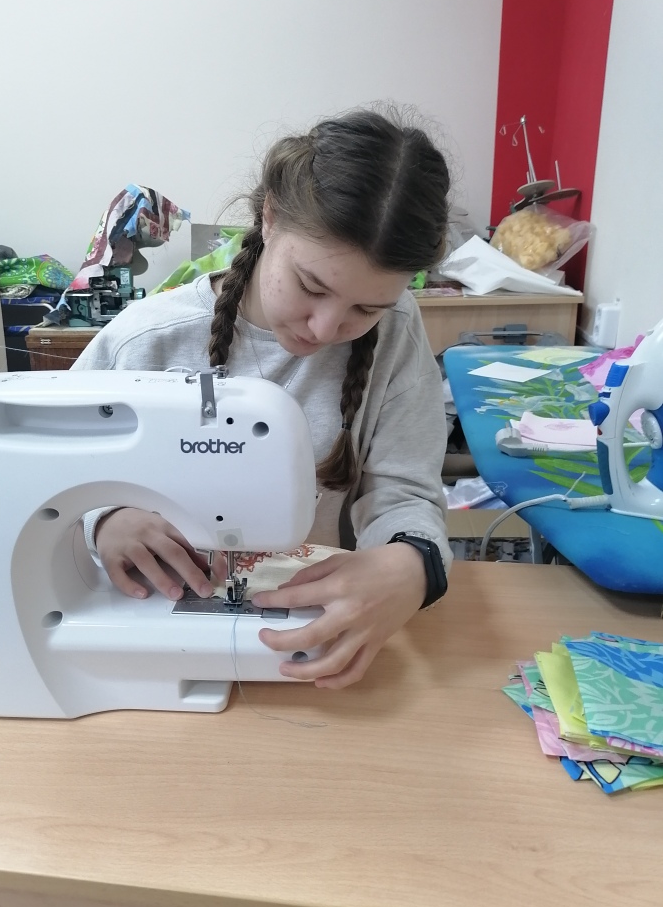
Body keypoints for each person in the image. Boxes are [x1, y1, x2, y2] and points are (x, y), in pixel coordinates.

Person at [72, 105, 452, 689]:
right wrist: (104, 519)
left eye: (365, 308)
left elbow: (404, 493)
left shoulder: (396, 334)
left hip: (307, 639)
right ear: (270, 217)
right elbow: (58, 481)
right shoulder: (144, 342)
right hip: (149, 626)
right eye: (311, 286)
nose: (326, 328)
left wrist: (411, 564)